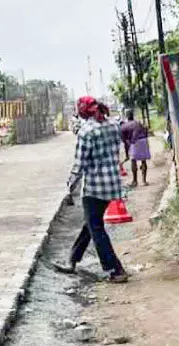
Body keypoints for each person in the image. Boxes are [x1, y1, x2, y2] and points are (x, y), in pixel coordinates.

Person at [54, 96, 129, 283]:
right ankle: (72, 260)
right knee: (90, 223)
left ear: (82, 112)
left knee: (95, 227)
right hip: (112, 184)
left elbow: (80, 164)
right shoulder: (113, 125)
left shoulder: (86, 131)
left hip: (94, 187)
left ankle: (116, 269)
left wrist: (70, 184)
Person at [121, 110, 151, 187]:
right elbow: (146, 130)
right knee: (143, 160)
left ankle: (135, 181)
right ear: (133, 115)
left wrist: (127, 155)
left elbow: (125, 143)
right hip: (144, 140)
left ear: (126, 116)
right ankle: (144, 181)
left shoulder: (124, 126)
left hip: (135, 141)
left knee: (133, 161)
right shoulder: (138, 123)